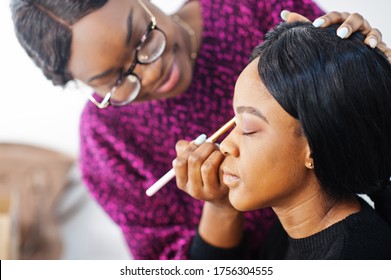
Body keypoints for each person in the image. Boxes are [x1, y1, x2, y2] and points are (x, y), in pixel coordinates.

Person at [9, 0, 388, 259]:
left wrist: (370, 70)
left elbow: (356, 120)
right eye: (117, 78)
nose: (151, 70)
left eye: (141, 37)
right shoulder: (106, 145)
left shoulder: (249, 8)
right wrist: (221, 210)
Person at [174, 21, 391, 259]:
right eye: (233, 122)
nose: (225, 145)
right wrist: (220, 205)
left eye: (247, 128)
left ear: (314, 146)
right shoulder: (288, 232)